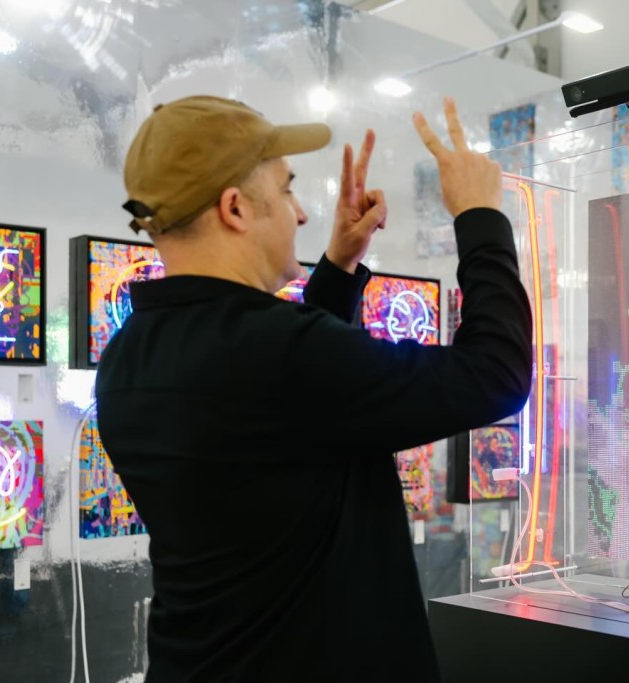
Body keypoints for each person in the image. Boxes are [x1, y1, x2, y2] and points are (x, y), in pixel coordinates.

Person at [96, 95, 532, 681]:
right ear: (234, 208)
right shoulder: (279, 353)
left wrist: (339, 267)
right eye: (286, 190)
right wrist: (480, 217)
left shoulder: (129, 355)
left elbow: (288, 428)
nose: (301, 214)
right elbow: (496, 375)